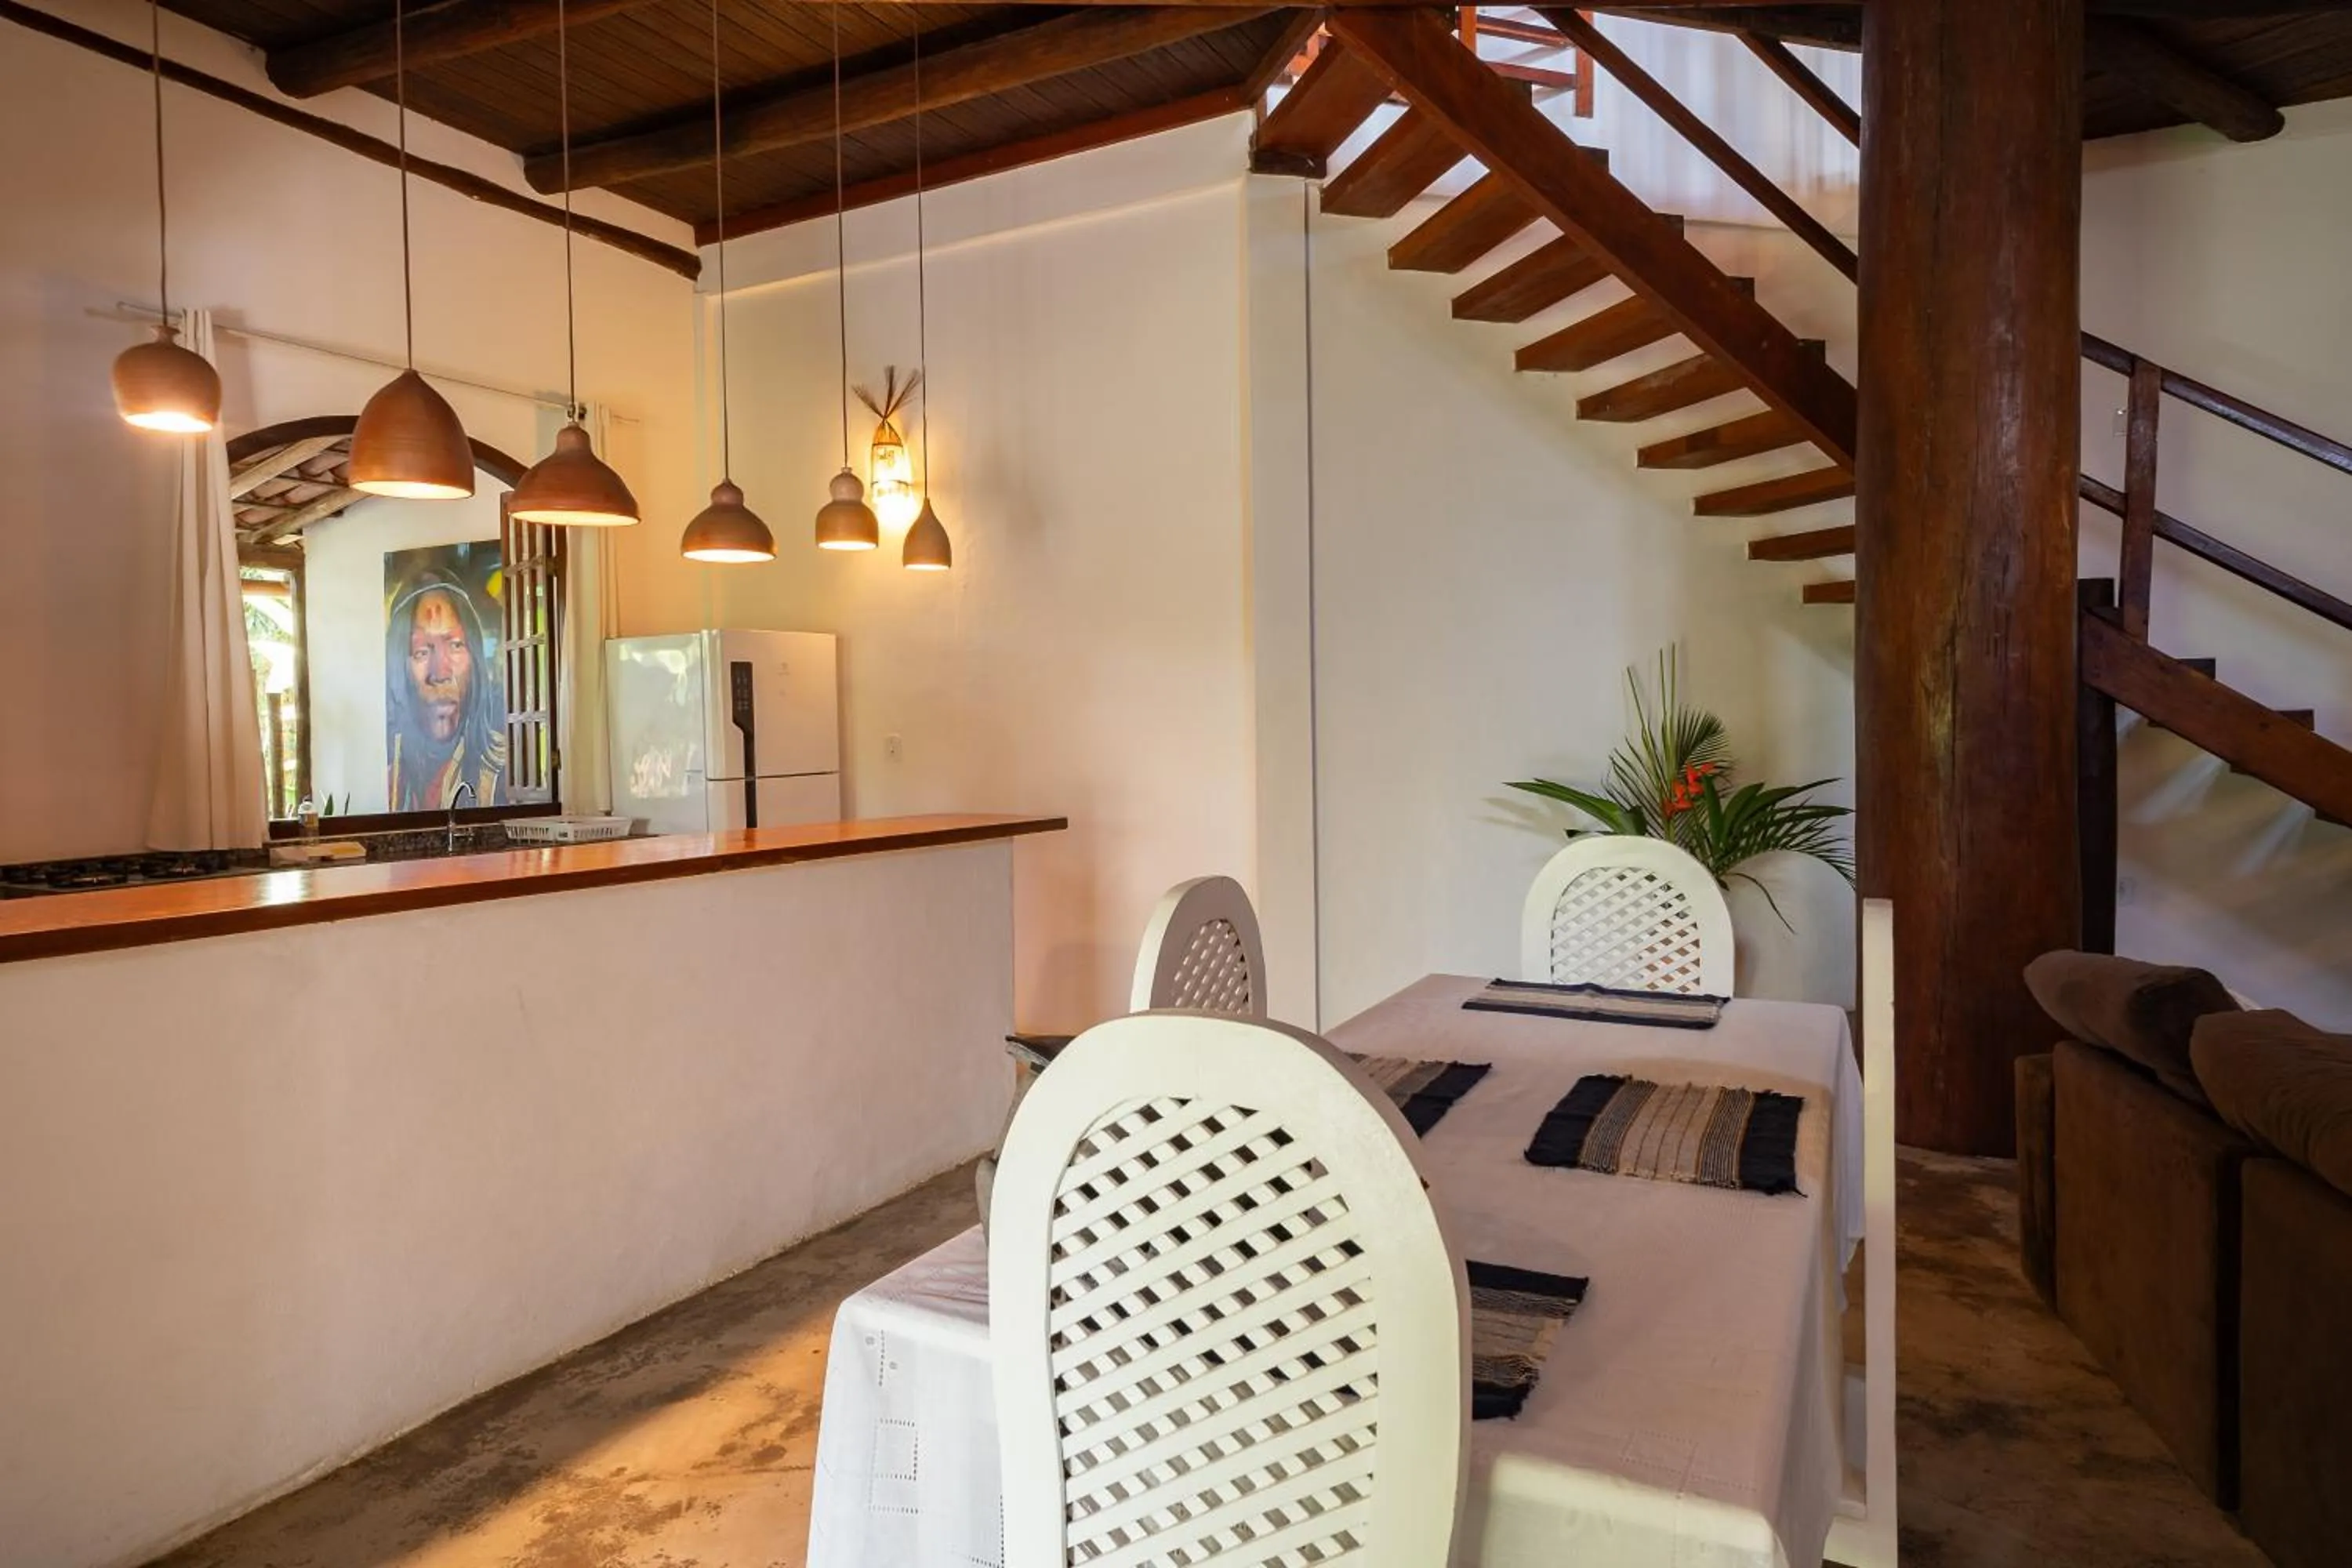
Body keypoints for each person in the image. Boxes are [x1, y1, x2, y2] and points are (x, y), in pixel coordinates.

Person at [385, 571, 507, 811]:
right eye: (421, 652)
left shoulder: (504, 772)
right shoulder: (388, 771)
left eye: (455, 645)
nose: (440, 673)